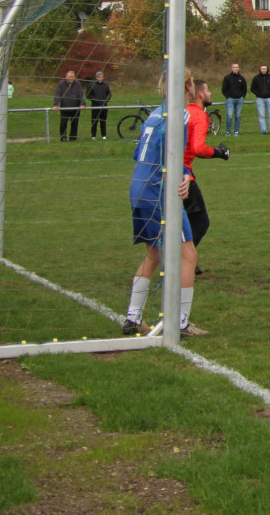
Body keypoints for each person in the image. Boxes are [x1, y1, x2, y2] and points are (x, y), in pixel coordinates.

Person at [123, 70, 207, 338]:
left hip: (138, 186)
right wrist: (179, 174)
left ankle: (133, 318)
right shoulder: (178, 115)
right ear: (188, 87)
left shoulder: (156, 113)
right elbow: (169, 153)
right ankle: (180, 323)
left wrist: (182, 170)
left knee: (153, 253)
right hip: (156, 190)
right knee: (188, 254)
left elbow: (140, 152)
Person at [185, 79, 231, 275]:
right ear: (200, 95)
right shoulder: (199, 114)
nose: (211, 93)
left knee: (183, 220)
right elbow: (197, 148)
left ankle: (181, 258)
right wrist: (219, 153)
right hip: (181, 174)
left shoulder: (184, 111)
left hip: (164, 170)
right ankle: (182, 259)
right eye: (208, 90)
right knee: (200, 221)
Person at [53, 70, 86, 142]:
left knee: (75, 123)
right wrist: (56, 104)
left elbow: (81, 95)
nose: (71, 78)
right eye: (69, 77)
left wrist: (82, 104)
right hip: (65, 107)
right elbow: (57, 94)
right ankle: (63, 137)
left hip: (75, 107)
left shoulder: (78, 84)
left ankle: (73, 137)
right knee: (63, 123)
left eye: (72, 77)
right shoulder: (61, 84)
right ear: (66, 77)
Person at [220, 63, 247, 137]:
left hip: (239, 100)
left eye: (237, 67)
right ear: (231, 68)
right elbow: (224, 89)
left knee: (238, 116)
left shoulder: (241, 78)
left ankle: (236, 132)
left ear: (239, 68)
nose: (235, 68)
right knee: (229, 116)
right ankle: (228, 132)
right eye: (234, 67)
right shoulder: (227, 77)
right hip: (230, 100)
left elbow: (244, 89)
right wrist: (227, 97)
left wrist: (242, 96)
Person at [250, 64, 270, 135]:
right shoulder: (256, 78)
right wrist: (259, 94)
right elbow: (252, 88)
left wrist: (269, 92)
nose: (263, 70)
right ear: (260, 70)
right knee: (261, 115)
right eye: (262, 69)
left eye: (264, 69)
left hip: (269, 99)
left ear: (267, 69)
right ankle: (263, 130)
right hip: (259, 99)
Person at [86, 70, 112, 140]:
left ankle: (103, 135)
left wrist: (106, 100)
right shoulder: (91, 85)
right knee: (94, 121)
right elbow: (88, 95)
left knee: (103, 121)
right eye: (100, 77)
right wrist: (96, 100)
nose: (101, 78)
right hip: (95, 106)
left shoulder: (105, 85)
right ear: (96, 78)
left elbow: (109, 94)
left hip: (104, 106)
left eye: (102, 77)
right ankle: (93, 135)